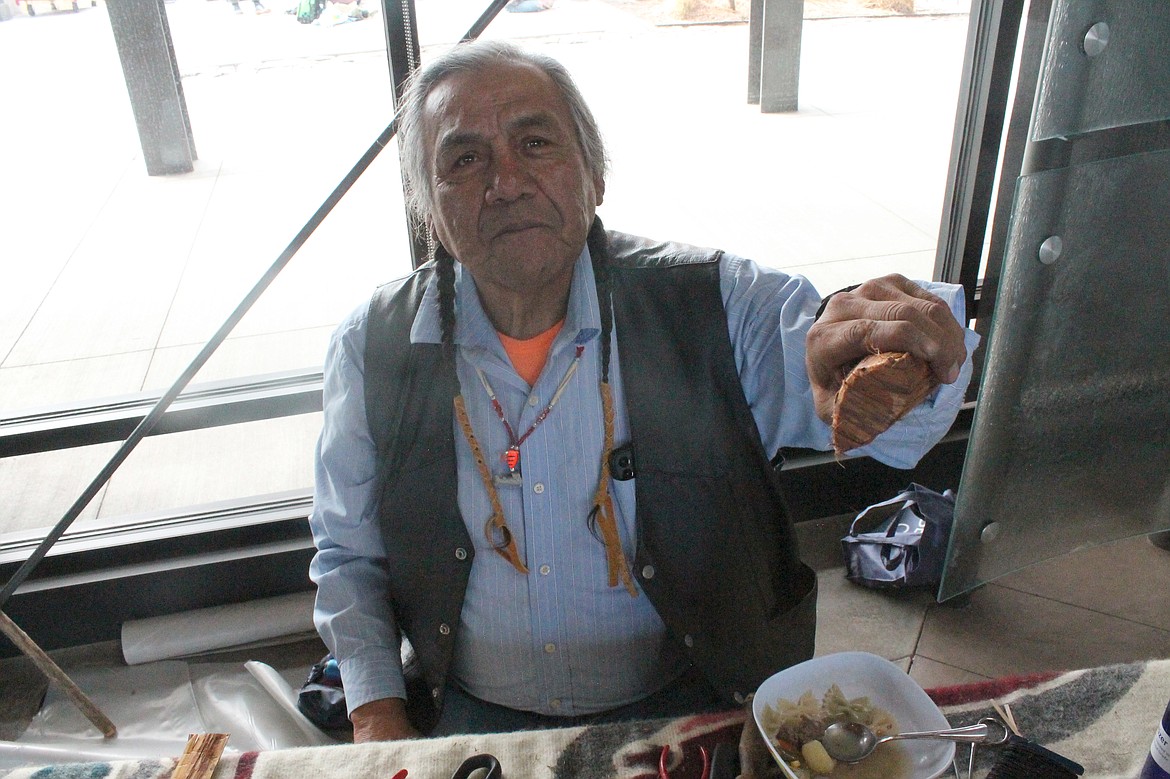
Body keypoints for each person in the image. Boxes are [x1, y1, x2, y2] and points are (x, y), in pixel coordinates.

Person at [308, 39, 978, 743]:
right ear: (428, 209)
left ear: (595, 177)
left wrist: (895, 349)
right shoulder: (371, 345)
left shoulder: (715, 303)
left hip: (694, 701)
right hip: (472, 715)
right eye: (464, 158)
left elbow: (878, 402)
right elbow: (348, 553)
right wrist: (377, 708)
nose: (504, 181)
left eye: (536, 143)